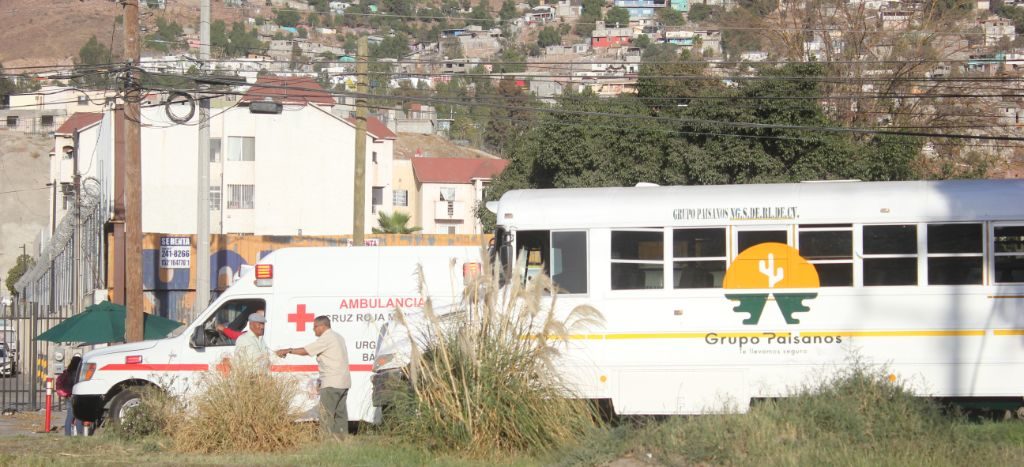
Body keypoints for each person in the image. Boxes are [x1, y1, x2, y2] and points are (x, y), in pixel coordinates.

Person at [276, 315, 350, 437]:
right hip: (344, 382)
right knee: (340, 414)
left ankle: (326, 440)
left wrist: (288, 350)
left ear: (322, 326)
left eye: (315, 327)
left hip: (331, 382)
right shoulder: (338, 336)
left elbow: (306, 350)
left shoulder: (327, 338)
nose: (313, 329)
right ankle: (342, 439)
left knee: (326, 414)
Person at [56, 355, 84, 436]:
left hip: (68, 396)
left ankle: (67, 434)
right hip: (76, 395)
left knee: (69, 416)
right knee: (78, 416)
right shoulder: (78, 373)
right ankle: (79, 434)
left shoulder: (67, 372)